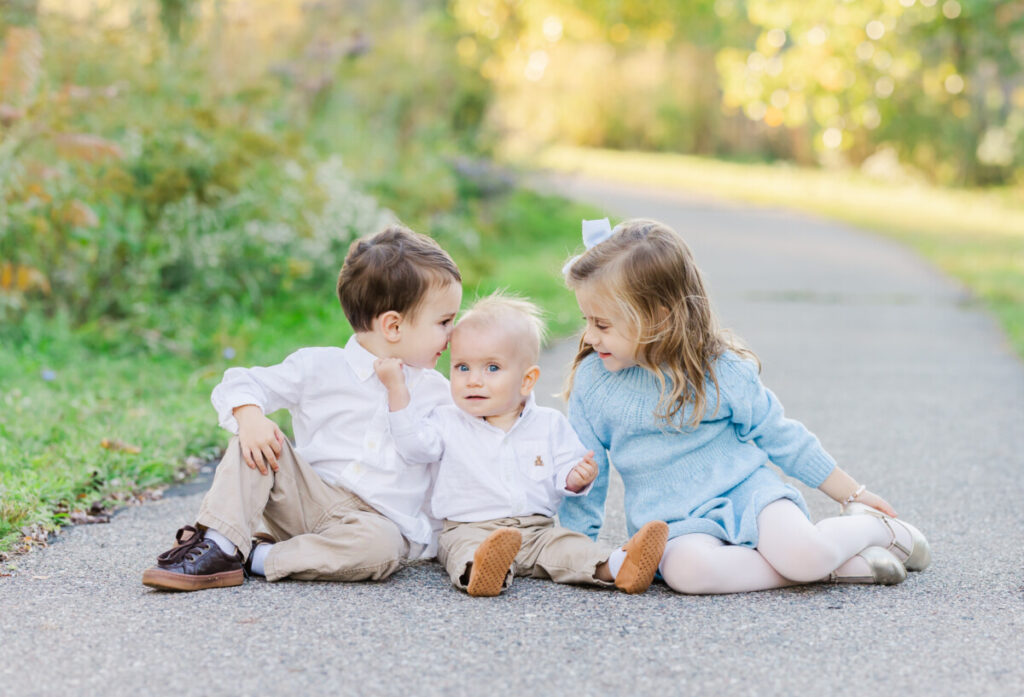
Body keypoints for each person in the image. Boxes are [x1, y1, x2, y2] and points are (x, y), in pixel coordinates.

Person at [558, 218, 931, 594]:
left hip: (748, 494)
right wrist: (578, 554)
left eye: (602, 325)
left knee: (804, 554)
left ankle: (873, 528)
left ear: (659, 318)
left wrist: (852, 494)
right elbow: (588, 476)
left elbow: (781, 437)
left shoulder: (718, 370)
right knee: (687, 575)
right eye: (587, 321)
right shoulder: (593, 383)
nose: (590, 336)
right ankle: (841, 568)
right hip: (673, 524)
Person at [142, 224, 462, 591]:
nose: (452, 335)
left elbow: (449, 465)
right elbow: (241, 382)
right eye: (444, 322)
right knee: (256, 441)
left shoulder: (437, 392)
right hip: (307, 498)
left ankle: (258, 558)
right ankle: (220, 543)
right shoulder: (318, 367)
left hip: (374, 523)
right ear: (393, 326)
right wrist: (250, 418)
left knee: (382, 549)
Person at [374, 292, 669, 597]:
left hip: (537, 529)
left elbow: (566, 468)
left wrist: (576, 477)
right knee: (464, 552)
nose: (473, 380)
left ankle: (619, 566)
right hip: (468, 528)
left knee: (570, 547)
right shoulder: (447, 421)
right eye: (462, 367)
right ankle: (485, 572)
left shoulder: (549, 424)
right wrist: (397, 390)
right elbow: (414, 447)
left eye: (491, 368)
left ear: (527, 380)